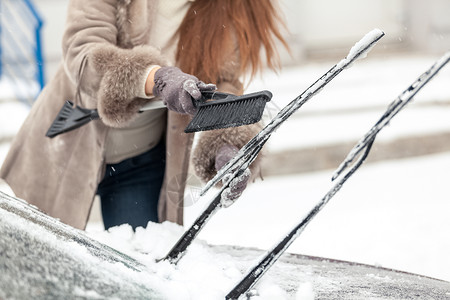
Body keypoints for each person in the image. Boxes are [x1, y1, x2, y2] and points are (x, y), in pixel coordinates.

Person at [0, 0, 288, 230]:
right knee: (41, 271)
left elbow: (224, 83)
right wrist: (155, 78)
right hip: (64, 145)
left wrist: (228, 142)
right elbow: (83, 55)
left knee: (138, 265)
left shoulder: (227, 7)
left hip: (141, 161)